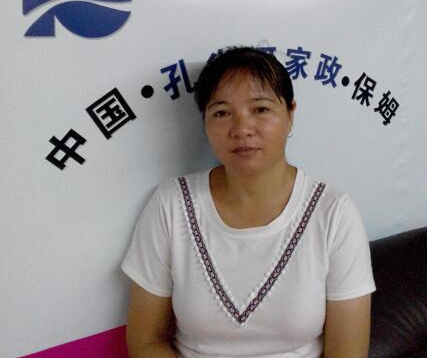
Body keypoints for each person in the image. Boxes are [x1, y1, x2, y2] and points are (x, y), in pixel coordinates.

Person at [121, 47, 376, 358]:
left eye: (261, 109)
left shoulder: (334, 213)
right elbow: (146, 340)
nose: (242, 129)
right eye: (222, 113)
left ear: (290, 113)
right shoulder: (171, 204)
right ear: (205, 122)